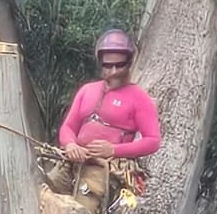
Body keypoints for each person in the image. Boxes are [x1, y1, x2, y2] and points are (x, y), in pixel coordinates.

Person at [58, 29, 162, 163]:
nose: (114, 71)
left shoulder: (140, 98)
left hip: (110, 169)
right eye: (108, 65)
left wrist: (114, 150)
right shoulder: (87, 90)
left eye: (120, 65)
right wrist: (70, 145)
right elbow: (68, 127)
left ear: (129, 63)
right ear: (100, 64)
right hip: (75, 163)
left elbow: (153, 141)